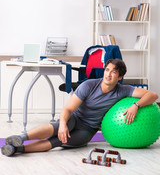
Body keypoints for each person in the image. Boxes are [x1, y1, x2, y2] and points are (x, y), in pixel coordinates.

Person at [1, 59, 158, 157]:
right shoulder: (89, 85)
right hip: (74, 119)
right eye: (107, 70)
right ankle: (20, 138)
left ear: (120, 77)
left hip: (88, 130)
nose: (108, 74)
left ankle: (18, 150)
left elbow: (153, 95)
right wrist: (62, 124)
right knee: (59, 128)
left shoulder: (123, 90)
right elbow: (68, 110)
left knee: (56, 143)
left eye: (113, 72)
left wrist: (136, 105)